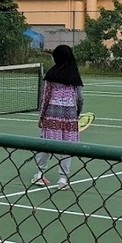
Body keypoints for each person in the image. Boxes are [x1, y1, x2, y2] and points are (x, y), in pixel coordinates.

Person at [31, 44, 84, 190]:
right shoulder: (74, 75)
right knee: (67, 148)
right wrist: (76, 114)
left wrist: (41, 117)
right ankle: (63, 179)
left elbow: (45, 98)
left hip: (51, 116)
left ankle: (40, 174)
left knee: (46, 145)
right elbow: (80, 99)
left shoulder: (51, 74)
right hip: (70, 117)